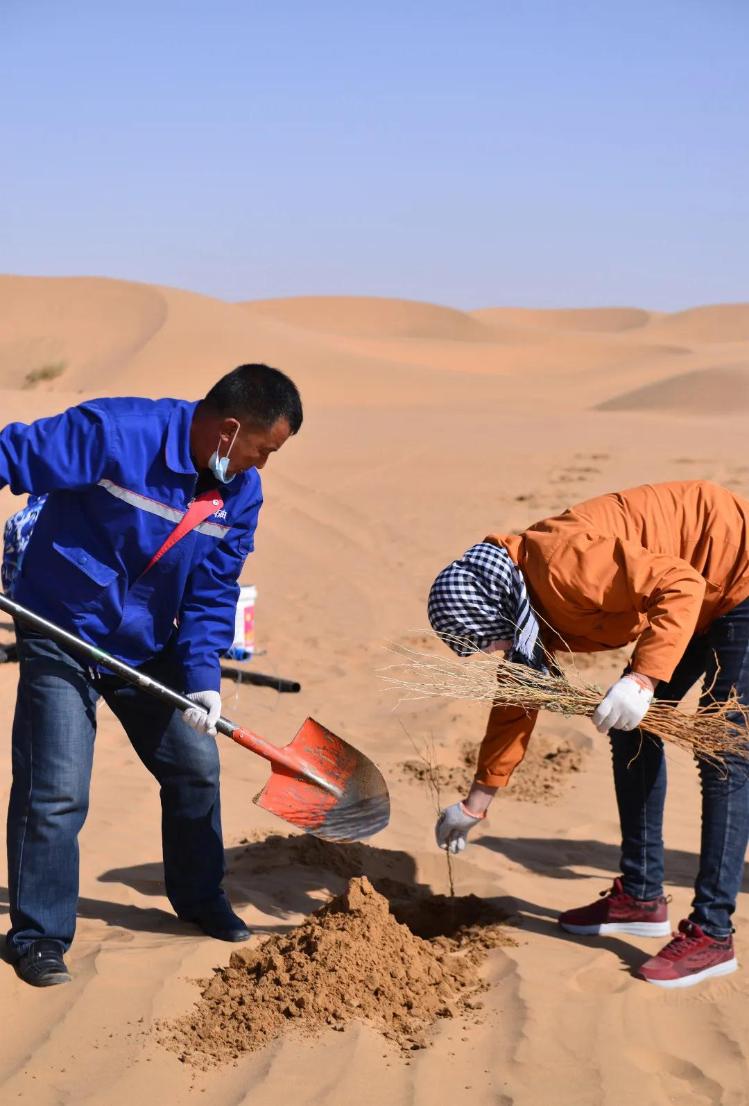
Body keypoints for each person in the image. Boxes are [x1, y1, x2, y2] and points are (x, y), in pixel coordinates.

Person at [0, 363, 302, 986]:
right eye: (262, 450)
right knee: (57, 789)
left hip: (146, 645)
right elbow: (12, 454)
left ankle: (197, 899)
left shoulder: (240, 494)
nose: (262, 466)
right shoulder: (116, 432)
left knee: (196, 767)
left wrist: (202, 679)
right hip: (63, 628)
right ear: (229, 428)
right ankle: (37, 935)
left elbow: (213, 591)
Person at [428, 480, 749, 989]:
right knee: (633, 732)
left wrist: (642, 679)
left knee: (724, 754)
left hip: (735, 572)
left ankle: (713, 933)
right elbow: (518, 695)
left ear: (495, 605)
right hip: (694, 593)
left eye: (488, 639)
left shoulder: (560, 567)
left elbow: (681, 586)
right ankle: (641, 897)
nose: (494, 651)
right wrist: (475, 803)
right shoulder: (524, 605)